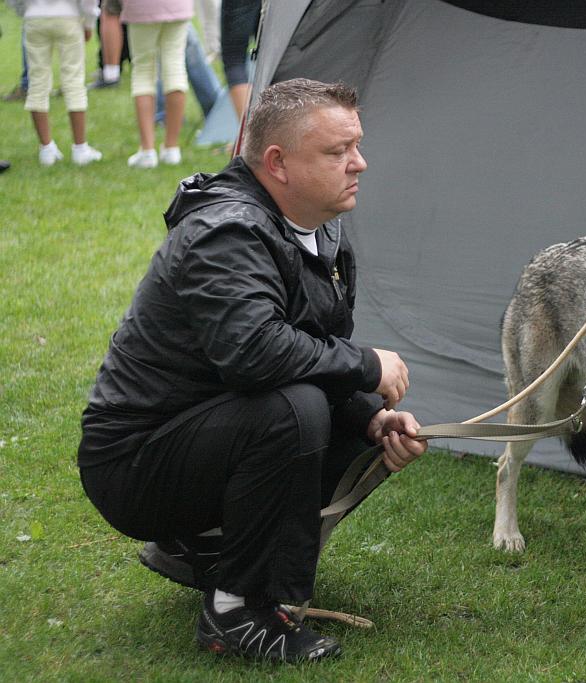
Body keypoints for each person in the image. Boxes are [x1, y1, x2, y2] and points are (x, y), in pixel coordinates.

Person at [77, 78, 426, 664]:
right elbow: (254, 353)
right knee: (293, 410)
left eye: (357, 145)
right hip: (132, 465)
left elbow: (311, 350)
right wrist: (367, 365)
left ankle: (210, 553)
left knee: (349, 419)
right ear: (278, 163)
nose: (359, 163)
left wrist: (372, 420)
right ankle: (236, 610)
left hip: (201, 432)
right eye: (337, 151)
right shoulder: (227, 230)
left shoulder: (317, 226)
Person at [22, 0, 103, 166]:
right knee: (74, 81)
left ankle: (46, 149)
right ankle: (80, 148)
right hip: (69, 16)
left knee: (37, 82)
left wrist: (27, 9)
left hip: (34, 16)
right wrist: (89, 22)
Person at [120, 0, 192, 168]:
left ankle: (147, 151)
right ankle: (171, 148)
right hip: (178, 5)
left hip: (141, 7)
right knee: (175, 68)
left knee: (143, 70)